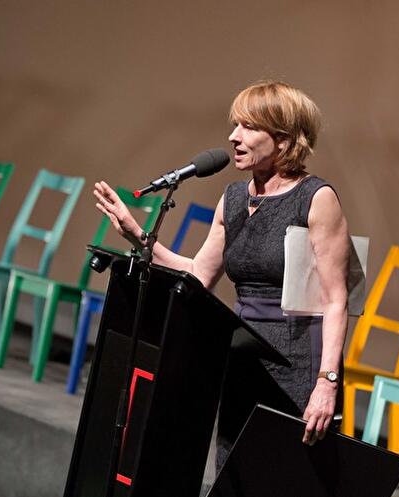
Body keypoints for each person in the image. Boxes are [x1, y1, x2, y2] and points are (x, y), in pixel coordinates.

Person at [93, 80, 350, 469]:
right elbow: (198, 274)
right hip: (243, 355)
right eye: (235, 125)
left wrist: (326, 384)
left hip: (298, 364)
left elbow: (335, 299)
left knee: (283, 481)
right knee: (234, 474)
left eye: (248, 127)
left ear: (282, 140)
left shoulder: (315, 198)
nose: (234, 137)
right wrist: (138, 235)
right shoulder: (233, 197)